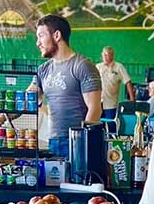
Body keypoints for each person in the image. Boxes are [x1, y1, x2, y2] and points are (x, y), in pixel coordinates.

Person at [31, 14, 101, 157]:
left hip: (76, 142)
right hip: (53, 141)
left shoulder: (82, 66)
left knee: (75, 179)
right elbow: (26, 100)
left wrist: (81, 143)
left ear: (56, 35)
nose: (38, 43)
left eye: (41, 36)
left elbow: (95, 109)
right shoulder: (43, 70)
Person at [97, 46, 134, 120]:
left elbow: (128, 82)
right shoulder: (98, 67)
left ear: (112, 55)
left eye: (108, 54)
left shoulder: (119, 67)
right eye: (104, 55)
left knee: (110, 125)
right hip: (98, 103)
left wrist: (132, 98)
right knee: (97, 125)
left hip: (111, 104)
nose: (105, 57)